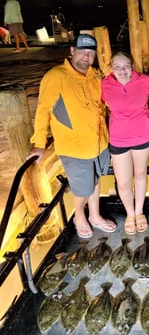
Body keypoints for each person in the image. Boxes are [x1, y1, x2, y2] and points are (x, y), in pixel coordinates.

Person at [27, 34, 116, 239]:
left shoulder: (96, 76)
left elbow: (106, 103)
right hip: (74, 146)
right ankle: (79, 218)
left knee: (94, 181)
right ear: (72, 51)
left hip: (99, 142)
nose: (86, 56)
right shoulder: (55, 76)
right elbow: (43, 111)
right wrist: (39, 144)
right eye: (82, 51)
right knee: (81, 188)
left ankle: (94, 215)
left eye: (91, 53)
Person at [101, 51, 149, 235]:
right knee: (124, 181)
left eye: (126, 66)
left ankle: (140, 211)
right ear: (111, 68)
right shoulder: (104, 84)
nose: (122, 70)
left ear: (132, 65)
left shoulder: (145, 81)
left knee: (141, 174)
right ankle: (130, 214)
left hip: (143, 135)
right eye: (117, 67)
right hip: (118, 138)